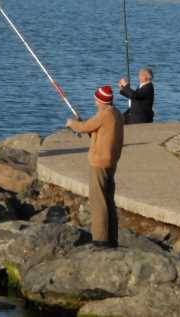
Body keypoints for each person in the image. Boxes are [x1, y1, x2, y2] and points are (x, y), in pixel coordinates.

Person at [66, 85, 124, 248]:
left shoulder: (104, 115)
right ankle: (112, 238)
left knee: (98, 201)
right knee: (108, 200)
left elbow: (84, 127)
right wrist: (84, 125)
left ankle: (100, 238)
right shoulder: (116, 113)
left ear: (101, 101)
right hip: (111, 161)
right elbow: (98, 132)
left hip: (99, 162)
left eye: (96, 99)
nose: (95, 102)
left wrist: (71, 123)